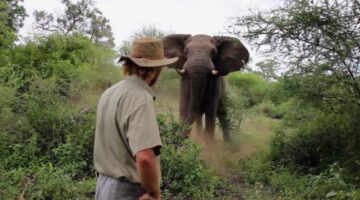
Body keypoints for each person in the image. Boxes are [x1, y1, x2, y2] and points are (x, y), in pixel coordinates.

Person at [93, 37, 178, 200]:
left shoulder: (109, 93)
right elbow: (145, 157)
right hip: (127, 191)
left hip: (103, 185)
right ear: (156, 69)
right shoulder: (140, 97)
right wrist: (153, 193)